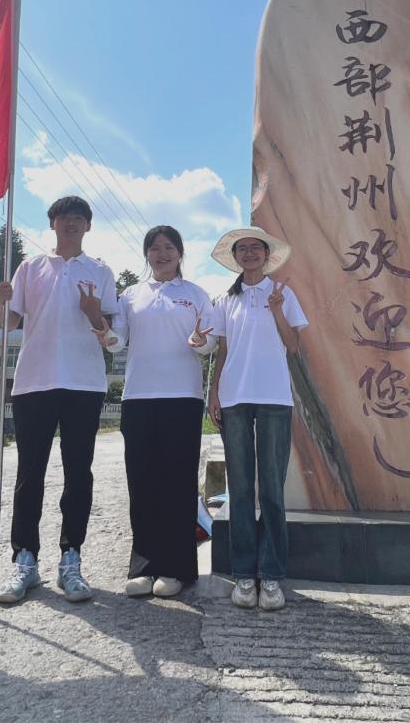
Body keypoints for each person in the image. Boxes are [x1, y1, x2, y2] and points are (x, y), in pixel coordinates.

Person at [0, 195, 119, 604]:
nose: (71, 224)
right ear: (52, 223)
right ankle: (25, 560)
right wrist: (1, 302)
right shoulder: (30, 267)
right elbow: (10, 323)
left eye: (79, 218)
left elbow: (109, 334)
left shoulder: (100, 271)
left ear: (88, 226)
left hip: (84, 382)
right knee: (29, 473)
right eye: (64, 218)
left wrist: (93, 312)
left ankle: (71, 559)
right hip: (34, 381)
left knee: (78, 473)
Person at [94, 225, 216, 598]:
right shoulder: (131, 295)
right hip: (139, 397)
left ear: (180, 253)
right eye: (155, 248)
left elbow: (209, 343)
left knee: (178, 483)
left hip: (183, 396)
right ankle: (144, 566)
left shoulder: (195, 294)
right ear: (147, 254)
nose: (162, 254)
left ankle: (176, 568)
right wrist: (104, 333)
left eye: (169, 248)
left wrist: (200, 341)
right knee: (142, 481)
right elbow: (118, 342)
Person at [207, 226, 308, 611]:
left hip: (274, 398)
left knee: (271, 489)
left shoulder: (282, 294)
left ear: (267, 255)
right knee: (240, 488)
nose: (249, 253)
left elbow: (294, 345)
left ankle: (272, 574)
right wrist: (214, 392)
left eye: (255, 248)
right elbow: (222, 349)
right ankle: (244, 574)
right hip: (234, 397)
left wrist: (277, 309)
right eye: (242, 249)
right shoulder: (225, 299)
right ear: (236, 258)